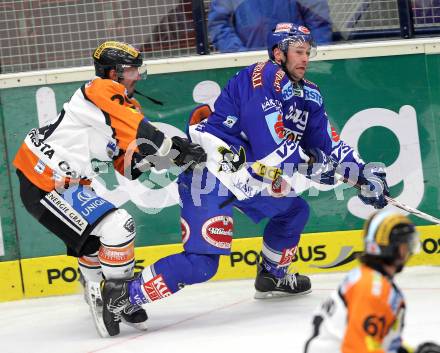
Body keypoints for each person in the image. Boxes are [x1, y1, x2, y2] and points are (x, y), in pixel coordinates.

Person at [99, 23, 389, 337]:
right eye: (298, 52)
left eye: (308, 52)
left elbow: (328, 144)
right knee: (202, 264)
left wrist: (361, 173)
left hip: (249, 174)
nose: (305, 59)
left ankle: (271, 275)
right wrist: (318, 168)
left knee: (293, 212)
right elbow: (272, 148)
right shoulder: (264, 76)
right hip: (210, 174)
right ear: (278, 53)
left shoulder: (310, 95)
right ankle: (122, 296)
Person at [12, 41, 206, 337]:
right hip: (42, 177)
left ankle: (101, 292)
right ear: (112, 73)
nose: (137, 76)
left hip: (62, 181)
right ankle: (115, 297)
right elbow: (142, 130)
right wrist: (174, 149)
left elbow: (128, 166)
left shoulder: (122, 106)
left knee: (99, 238)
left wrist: (170, 159)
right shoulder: (100, 88)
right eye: (131, 71)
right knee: (119, 225)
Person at [303, 210, 440, 353]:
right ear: (392, 248)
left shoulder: (368, 278)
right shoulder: (371, 289)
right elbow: (358, 348)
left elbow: (375, 341)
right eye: (407, 245)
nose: (410, 252)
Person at [208, 0, 332, 53]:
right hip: (250, 72)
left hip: (296, 68)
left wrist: (312, 59)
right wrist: (242, 58)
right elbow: (219, 25)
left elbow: (318, 24)